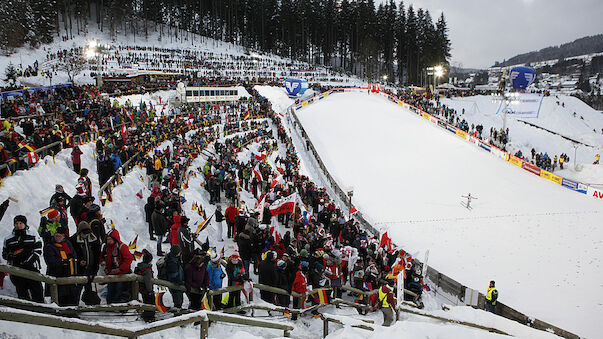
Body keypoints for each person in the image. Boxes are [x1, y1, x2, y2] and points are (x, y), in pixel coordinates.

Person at [2, 215, 44, 302]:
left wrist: (29, 262)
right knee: (22, 292)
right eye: (16, 223)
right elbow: (5, 254)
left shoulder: (33, 235)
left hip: (32, 268)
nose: (18, 225)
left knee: (37, 290)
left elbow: (38, 250)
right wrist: (11, 256)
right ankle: (25, 310)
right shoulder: (8, 239)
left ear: (25, 224)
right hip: (16, 269)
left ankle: (41, 308)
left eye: (20, 223)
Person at [43, 226, 79, 306]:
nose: (58, 238)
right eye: (56, 236)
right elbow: (51, 261)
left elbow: (73, 255)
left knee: (71, 296)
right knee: (59, 296)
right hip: (57, 274)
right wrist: (63, 262)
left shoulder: (67, 244)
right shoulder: (49, 246)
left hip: (69, 273)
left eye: (60, 236)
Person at [69, 221, 101, 305]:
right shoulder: (73, 240)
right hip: (79, 269)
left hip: (91, 267)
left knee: (89, 287)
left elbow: (97, 254)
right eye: (84, 232)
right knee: (77, 288)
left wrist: (95, 267)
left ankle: (90, 302)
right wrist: (79, 261)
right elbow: (72, 254)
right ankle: (74, 304)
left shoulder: (94, 239)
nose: (86, 234)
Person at [100, 229, 134, 304]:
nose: (108, 241)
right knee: (110, 289)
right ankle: (110, 305)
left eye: (110, 239)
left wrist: (121, 269)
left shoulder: (122, 247)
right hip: (111, 274)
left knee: (119, 290)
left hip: (121, 274)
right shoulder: (106, 247)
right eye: (107, 239)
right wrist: (103, 261)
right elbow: (101, 256)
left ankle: (116, 305)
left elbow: (129, 259)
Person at [134, 251, 155, 322]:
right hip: (146, 289)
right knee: (150, 302)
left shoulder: (141, 266)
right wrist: (150, 291)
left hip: (141, 288)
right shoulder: (147, 270)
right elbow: (148, 281)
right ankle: (149, 317)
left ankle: (146, 314)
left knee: (146, 301)